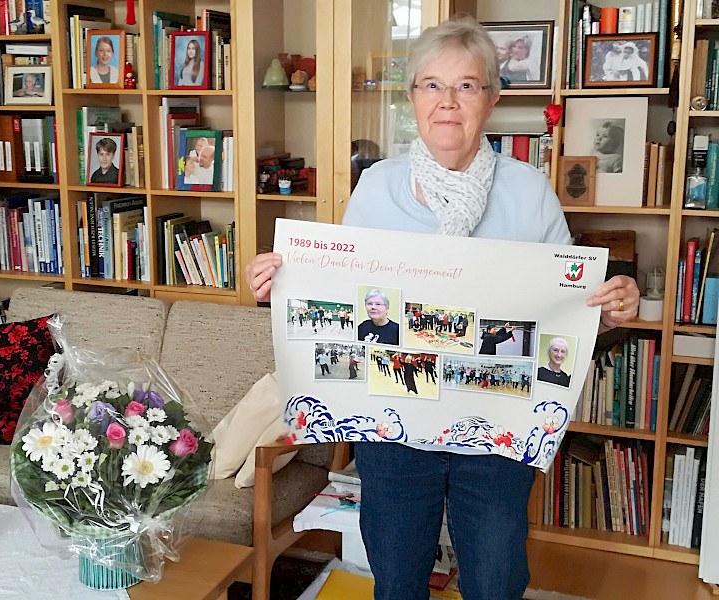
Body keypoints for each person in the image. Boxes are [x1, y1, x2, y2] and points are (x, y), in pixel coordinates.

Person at [245, 17, 639, 600]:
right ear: (412, 98)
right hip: (393, 426)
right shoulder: (378, 185)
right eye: (431, 85)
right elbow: (349, 299)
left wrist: (609, 308)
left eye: (466, 85)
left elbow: (569, 307)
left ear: (492, 97)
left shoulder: (529, 190)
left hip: (496, 429)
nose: (447, 102)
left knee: (496, 580)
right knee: (398, 580)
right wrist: (284, 282)